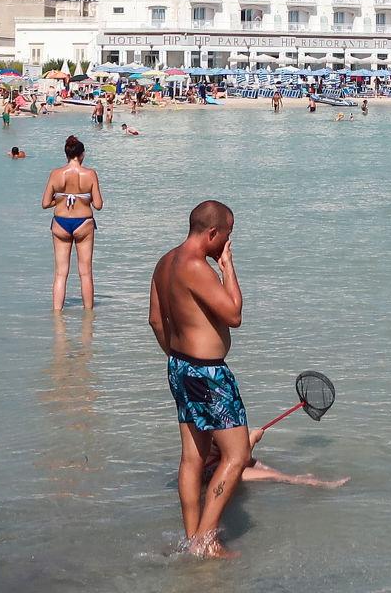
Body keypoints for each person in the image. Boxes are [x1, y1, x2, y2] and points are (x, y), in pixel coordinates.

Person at [148, 200, 248, 558]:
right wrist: (228, 268)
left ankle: (192, 538)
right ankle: (206, 541)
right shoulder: (196, 266)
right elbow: (234, 314)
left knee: (193, 456)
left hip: (179, 366)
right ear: (212, 233)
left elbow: (156, 322)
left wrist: (178, 361)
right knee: (237, 455)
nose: (228, 242)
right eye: (228, 235)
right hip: (208, 374)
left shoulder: (165, 263)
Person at [44, 135, 103, 311]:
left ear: (67, 154)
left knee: (61, 273)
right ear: (82, 154)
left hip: (60, 223)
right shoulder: (90, 174)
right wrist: (82, 198)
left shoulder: (55, 174)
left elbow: (45, 203)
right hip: (84, 223)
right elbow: (98, 205)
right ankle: (88, 320)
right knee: (85, 272)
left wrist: (61, 200)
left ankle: (57, 317)